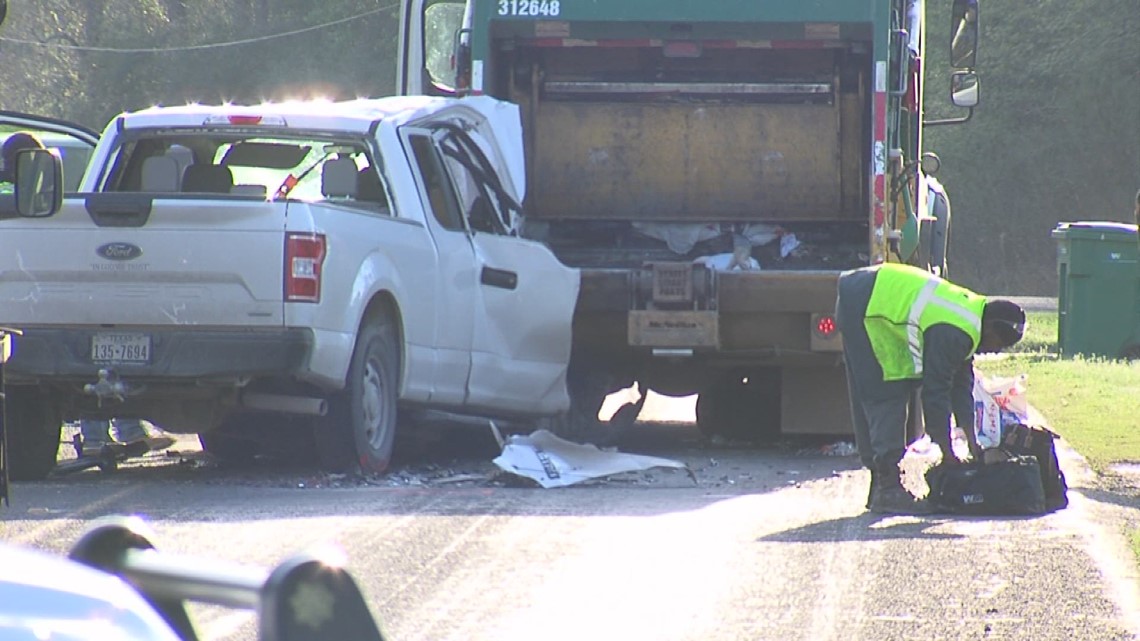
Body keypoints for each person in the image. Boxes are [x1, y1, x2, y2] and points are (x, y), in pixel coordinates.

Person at [835, 262, 1026, 514]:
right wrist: (947, 453)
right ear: (990, 327)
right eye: (998, 343)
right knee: (886, 391)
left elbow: (961, 386)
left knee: (891, 385)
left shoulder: (971, 318)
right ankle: (888, 489)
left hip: (868, 297)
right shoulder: (956, 332)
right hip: (866, 306)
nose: (995, 350)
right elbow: (935, 393)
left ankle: (880, 486)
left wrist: (972, 442)